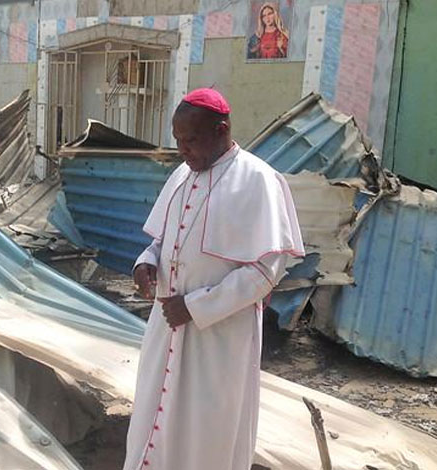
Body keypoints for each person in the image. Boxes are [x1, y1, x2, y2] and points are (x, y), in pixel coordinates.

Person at [122, 88, 304, 470]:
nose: (182, 151)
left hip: (218, 337)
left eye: (190, 140)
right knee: (152, 419)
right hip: (166, 328)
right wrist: (146, 261)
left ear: (221, 130)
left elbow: (265, 272)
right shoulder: (182, 174)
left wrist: (195, 307)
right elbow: (163, 240)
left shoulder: (258, 180)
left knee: (206, 432)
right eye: (177, 141)